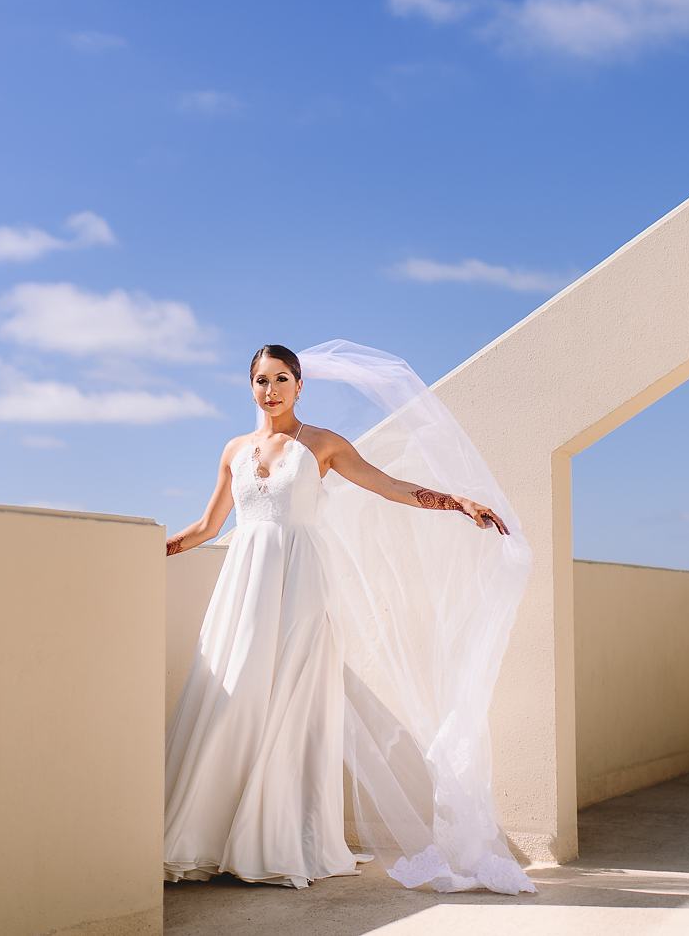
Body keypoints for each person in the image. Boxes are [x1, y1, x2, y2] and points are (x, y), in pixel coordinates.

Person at [162, 341, 537, 894]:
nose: (271, 391)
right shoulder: (234, 449)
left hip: (301, 588)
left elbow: (389, 486)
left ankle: (273, 841)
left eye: (282, 380)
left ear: (300, 385)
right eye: (262, 381)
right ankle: (209, 837)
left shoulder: (324, 445)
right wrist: (150, 550)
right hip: (243, 589)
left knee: (290, 705)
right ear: (251, 386)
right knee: (235, 693)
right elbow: (208, 527)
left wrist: (457, 503)